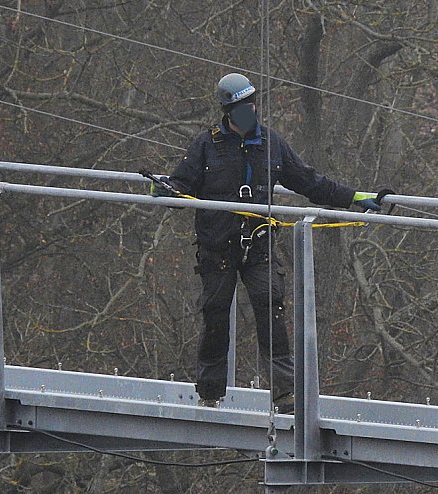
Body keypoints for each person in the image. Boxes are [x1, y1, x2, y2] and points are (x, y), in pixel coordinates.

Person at [153, 73, 386, 410]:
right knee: (216, 316)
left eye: (251, 105)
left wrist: (355, 198)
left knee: (271, 314)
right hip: (217, 249)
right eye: (240, 107)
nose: (248, 112)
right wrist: (163, 191)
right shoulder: (206, 146)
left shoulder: (271, 144)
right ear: (227, 111)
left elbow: (309, 182)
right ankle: (210, 391)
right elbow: (181, 186)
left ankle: (285, 393)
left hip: (258, 248)